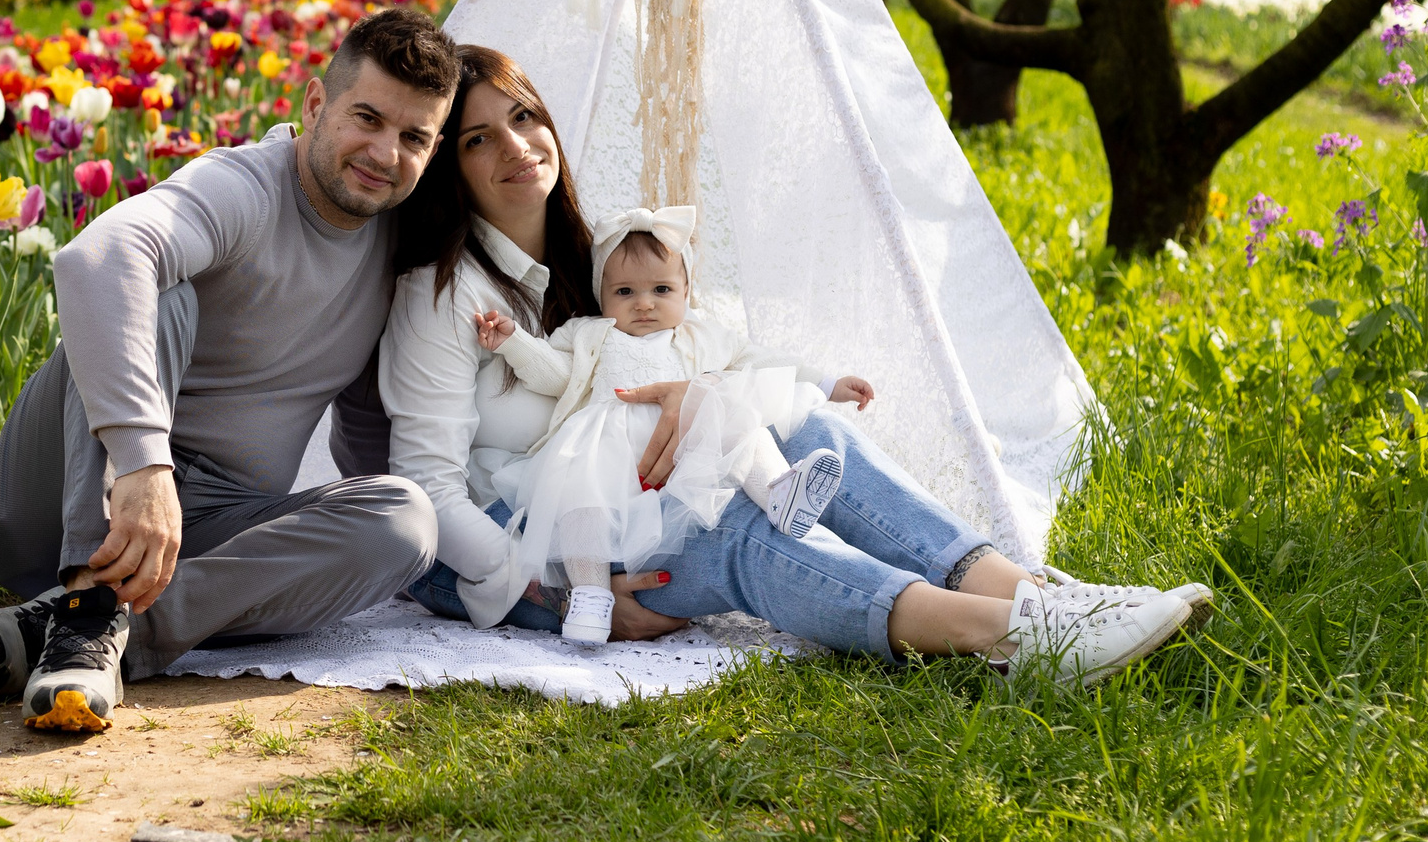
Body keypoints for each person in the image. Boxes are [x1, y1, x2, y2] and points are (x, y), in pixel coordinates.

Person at [380, 45, 1213, 685]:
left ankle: (1025, 588)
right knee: (743, 533)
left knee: (799, 428)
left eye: (525, 116)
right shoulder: (442, 294)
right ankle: (1009, 638)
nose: (518, 146)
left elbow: (673, 358)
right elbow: (428, 490)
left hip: (642, 489)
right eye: (476, 139)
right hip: (561, 547)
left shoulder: (589, 264)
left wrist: (704, 396)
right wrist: (553, 601)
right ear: (446, 170)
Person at [0, 8, 459, 732]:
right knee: (160, 292)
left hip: (205, 528)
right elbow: (98, 257)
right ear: (316, 103)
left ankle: (102, 630)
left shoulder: (395, 256)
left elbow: (364, 442)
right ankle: (85, 595)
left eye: (414, 137)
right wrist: (142, 461)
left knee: (407, 518)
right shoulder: (244, 188)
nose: (385, 151)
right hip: (63, 492)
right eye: (368, 118)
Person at [473, 208, 850, 643]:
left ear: (687, 291)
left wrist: (827, 381)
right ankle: (591, 597)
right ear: (602, 295)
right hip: (605, 448)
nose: (645, 303)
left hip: (684, 447)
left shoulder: (702, 335)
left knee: (738, 417)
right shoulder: (591, 333)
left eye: (662, 289)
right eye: (625, 291)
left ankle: (778, 493)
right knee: (580, 504)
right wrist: (514, 342)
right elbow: (556, 373)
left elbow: (761, 360)